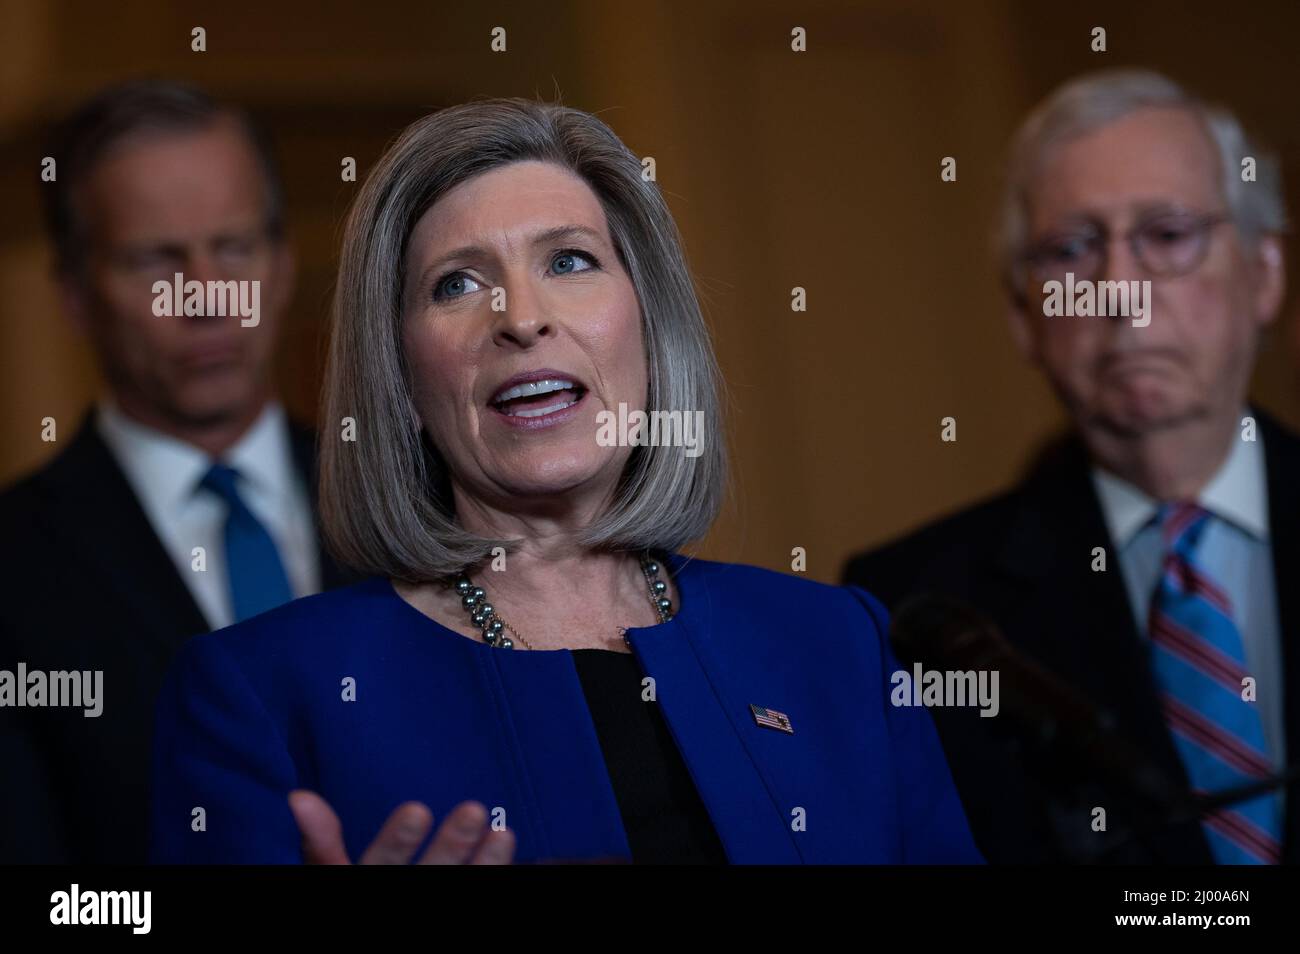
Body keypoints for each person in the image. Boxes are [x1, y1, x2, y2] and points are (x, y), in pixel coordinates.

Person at [149, 97, 981, 865]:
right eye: (457, 284)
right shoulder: (263, 693)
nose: (520, 317)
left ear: (650, 329)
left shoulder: (837, 644)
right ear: (399, 380)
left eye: (571, 261)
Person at [844, 70, 1299, 865]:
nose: (1120, 290)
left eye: (1167, 234)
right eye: (1071, 250)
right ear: (1024, 317)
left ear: (1264, 275)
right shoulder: (914, 605)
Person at [0, 81, 352, 864]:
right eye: (156, 259)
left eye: (233, 248)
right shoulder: (15, 566)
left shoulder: (419, 500)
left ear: (284, 263)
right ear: (75, 297)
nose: (206, 295)